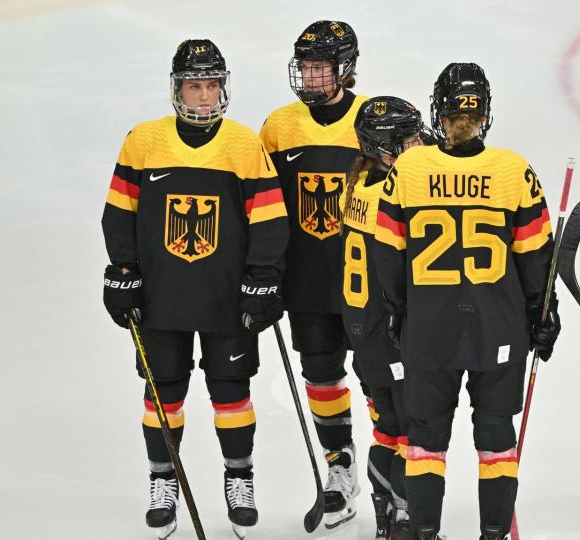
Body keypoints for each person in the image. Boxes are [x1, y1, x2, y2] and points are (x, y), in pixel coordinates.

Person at [101, 39, 289, 539]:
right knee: (163, 392)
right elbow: (119, 212)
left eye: (211, 85)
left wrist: (263, 277)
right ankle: (162, 480)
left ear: (222, 88)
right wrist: (123, 270)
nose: (204, 96)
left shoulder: (243, 144)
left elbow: (269, 218)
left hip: (226, 298)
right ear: (177, 88)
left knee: (231, 391)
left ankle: (239, 477)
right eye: (194, 85)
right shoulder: (143, 140)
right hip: (161, 296)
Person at [372, 63, 561, 540]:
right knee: (496, 436)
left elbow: (387, 254)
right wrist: (543, 313)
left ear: (439, 113)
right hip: (497, 328)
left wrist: (400, 310)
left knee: (425, 440)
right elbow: (536, 257)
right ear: (484, 115)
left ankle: (424, 533)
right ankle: (493, 535)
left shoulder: (409, 169)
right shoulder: (513, 170)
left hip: (429, 329)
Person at [259, 20, 367, 527]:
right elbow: (260, 206)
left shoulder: (373, 120)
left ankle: (391, 470)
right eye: (305, 67)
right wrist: (262, 272)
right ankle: (339, 464)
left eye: (321, 67)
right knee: (322, 375)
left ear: (345, 68)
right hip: (306, 283)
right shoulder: (279, 127)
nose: (311, 76)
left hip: (365, 283)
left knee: (380, 380)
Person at [340, 96, 434, 539]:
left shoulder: (360, 184)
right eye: (408, 140)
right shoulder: (392, 196)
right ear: (382, 148)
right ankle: (405, 522)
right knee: (412, 434)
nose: (419, 145)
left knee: (387, 432)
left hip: (365, 333)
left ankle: (388, 521)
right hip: (389, 333)